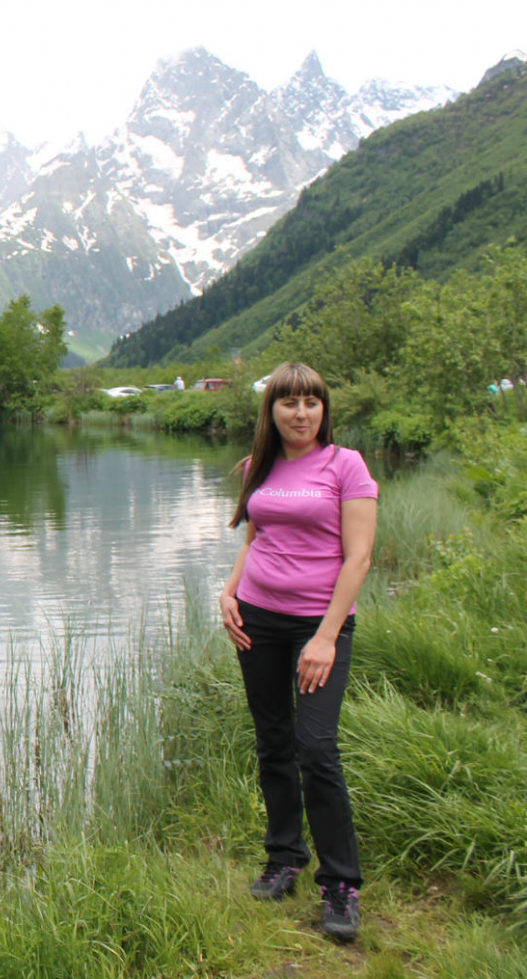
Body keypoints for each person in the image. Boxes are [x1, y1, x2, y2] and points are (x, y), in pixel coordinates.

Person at [219, 361, 377, 943]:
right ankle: (284, 856)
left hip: (318, 623)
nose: (301, 413)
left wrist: (326, 636)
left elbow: (357, 558)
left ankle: (340, 884)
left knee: (316, 747)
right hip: (257, 619)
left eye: (311, 402)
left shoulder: (346, 466)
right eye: (289, 403)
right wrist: (230, 590)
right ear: (273, 411)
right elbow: (257, 537)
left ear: (324, 409)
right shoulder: (258, 467)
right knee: (273, 741)